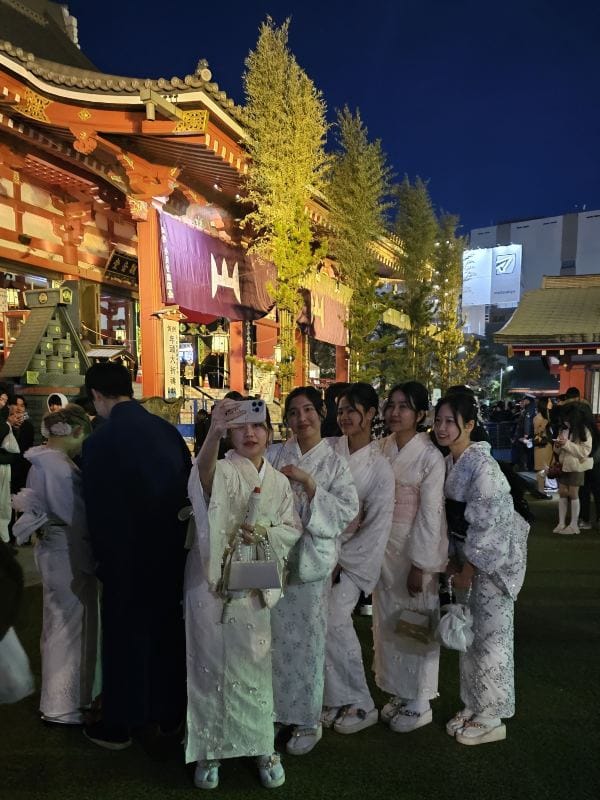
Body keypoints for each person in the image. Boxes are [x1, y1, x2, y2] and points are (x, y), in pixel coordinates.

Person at [185, 398, 301, 790]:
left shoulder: (279, 482)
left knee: (254, 665)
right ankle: (209, 749)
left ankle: (262, 746)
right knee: (209, 664)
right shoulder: (222, 468)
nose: (250, 433)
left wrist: (266, 532)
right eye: (240, 427)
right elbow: (203, 479)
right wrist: (214, 432)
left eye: (258, 426)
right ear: (229, 434)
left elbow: (291, 528)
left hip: (253, 581)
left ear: (269, 432)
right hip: (211, 581)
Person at [81, 362, 191, 750]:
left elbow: (98, 511)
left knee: (124, 638)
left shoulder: (100, 440)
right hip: (169, 553)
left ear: (97, 395)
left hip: (124, 556)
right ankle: (169, 714)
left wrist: (101, 557)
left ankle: (121, 723)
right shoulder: (166, 431)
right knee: (166, 633)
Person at [268, 386, 359, 756]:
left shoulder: (335, 463)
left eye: (308, 410)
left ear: (321, 413)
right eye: (293, 412)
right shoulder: (276, 454)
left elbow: (347, 510)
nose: (301, 418)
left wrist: (309, 484)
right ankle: (277, 711)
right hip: (275, 560)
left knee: (307, 642)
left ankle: (307, 719)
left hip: (310, 563)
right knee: (275, 641)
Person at [434, 392, 529, 745]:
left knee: (492, 636)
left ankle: (492, 715)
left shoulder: (483, 468)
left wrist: (469, 568)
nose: (442, 428)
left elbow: (490, 524)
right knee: (471, 633)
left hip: (493, 563)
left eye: (450, 421)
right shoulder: (453, 461)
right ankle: (473, 703)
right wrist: (455, 559)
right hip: (467, 557)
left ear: (470, 425)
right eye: (438, 420)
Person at [12, 404, 97, 724]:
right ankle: (63, 704)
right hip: (65, 549)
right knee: (68, 626)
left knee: (56, 624)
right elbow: (73, 514)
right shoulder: (59, 468)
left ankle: (58, 700)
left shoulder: (42, 462)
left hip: (51, 548)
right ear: (76, 431)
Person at [373, 382, 447, 733]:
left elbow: (431, 515)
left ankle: (420, 699)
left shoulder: (430, 457)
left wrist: (421, 564)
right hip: (382, 546)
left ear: (420, 415)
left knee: (417, 620)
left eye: (404, 406)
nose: (395, 412)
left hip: (413, 547)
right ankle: (399, 690)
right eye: (391, 405)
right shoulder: (381, 447)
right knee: (388, 621)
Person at [322, 383, 394, 733]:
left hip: (351, 554)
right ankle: (334, 697)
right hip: (319, 544)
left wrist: (342, 560)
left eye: (352, 410)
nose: (345, 417)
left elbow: (377, 524)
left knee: (335, 618)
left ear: (370, 414)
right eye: (340, 410)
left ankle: (362, 701)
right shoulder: (328, 450)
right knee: (317, 621)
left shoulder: (380, 468)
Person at [552, 402, 594, 535]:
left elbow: (584, 452)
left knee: (573, 494)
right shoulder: (564, 429)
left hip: (577, 467)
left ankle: (574, 525)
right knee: (562, 493)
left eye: (567, 419)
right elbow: (558, 451)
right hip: (564, 466)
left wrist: (566, 444)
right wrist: (558, 445)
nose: (565, 421)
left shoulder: (584, 431)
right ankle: (561, 523)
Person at [533, 397, 553, 497]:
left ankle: (541, 491)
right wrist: (545, 423)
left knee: (545, 468)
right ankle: (541, 492)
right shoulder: (539, 417)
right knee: (542, 468)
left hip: (547, 445)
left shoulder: (546, 415)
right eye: (549, 402)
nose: (551, 403)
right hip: (542, 446)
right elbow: (537, 432)